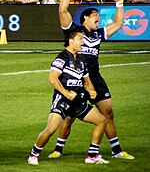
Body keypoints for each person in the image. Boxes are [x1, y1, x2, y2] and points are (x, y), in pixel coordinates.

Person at [48, 0, 135, 160]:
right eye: (95, 15)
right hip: (76, 79)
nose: (99, 18)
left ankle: (117, 151)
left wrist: (119, 3)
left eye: (99, 16)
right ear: (85, 18)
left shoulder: (98, 34)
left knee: (108, 113)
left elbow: (118, 23)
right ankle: (58, 149)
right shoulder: (74, 32)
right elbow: (62, 10)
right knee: (69, 117)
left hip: (95, 78)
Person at [28, 29, 109, 165]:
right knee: (51, 129)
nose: (83, 42)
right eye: (80, 39)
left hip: (78, 101)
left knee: (101, 121)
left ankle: (92, 155)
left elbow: (86, 80)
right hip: (63, 101)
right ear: (71, 41)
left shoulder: (82, 60)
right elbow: (53, 79)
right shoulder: (61, 58)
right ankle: (34, 154)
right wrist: (66, 94)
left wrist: (91, 90)